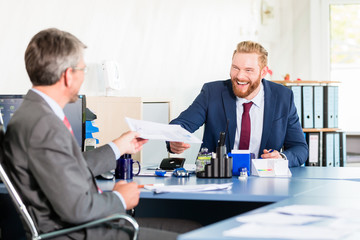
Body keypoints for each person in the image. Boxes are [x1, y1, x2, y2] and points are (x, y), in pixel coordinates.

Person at [3, 28, 178, 240]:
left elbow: (65, 167)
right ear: (68, 75)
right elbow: (77, 209)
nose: (83, 77)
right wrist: (120, 198)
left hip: (80, 228)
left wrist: (118, 147)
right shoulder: (43, 126)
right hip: (80, 234)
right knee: (192, 232)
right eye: (82, 70)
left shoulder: (33, 113)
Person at [167, 41, 308, 167]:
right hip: (216, 178)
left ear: (263, 72)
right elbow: (181, 124)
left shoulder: (283, 97)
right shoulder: (212, 92)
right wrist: (174, 140)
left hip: (263, 180)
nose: (240, 76)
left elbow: (300, 149)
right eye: (235, 68)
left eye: (248, 70)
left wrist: (281, 158)